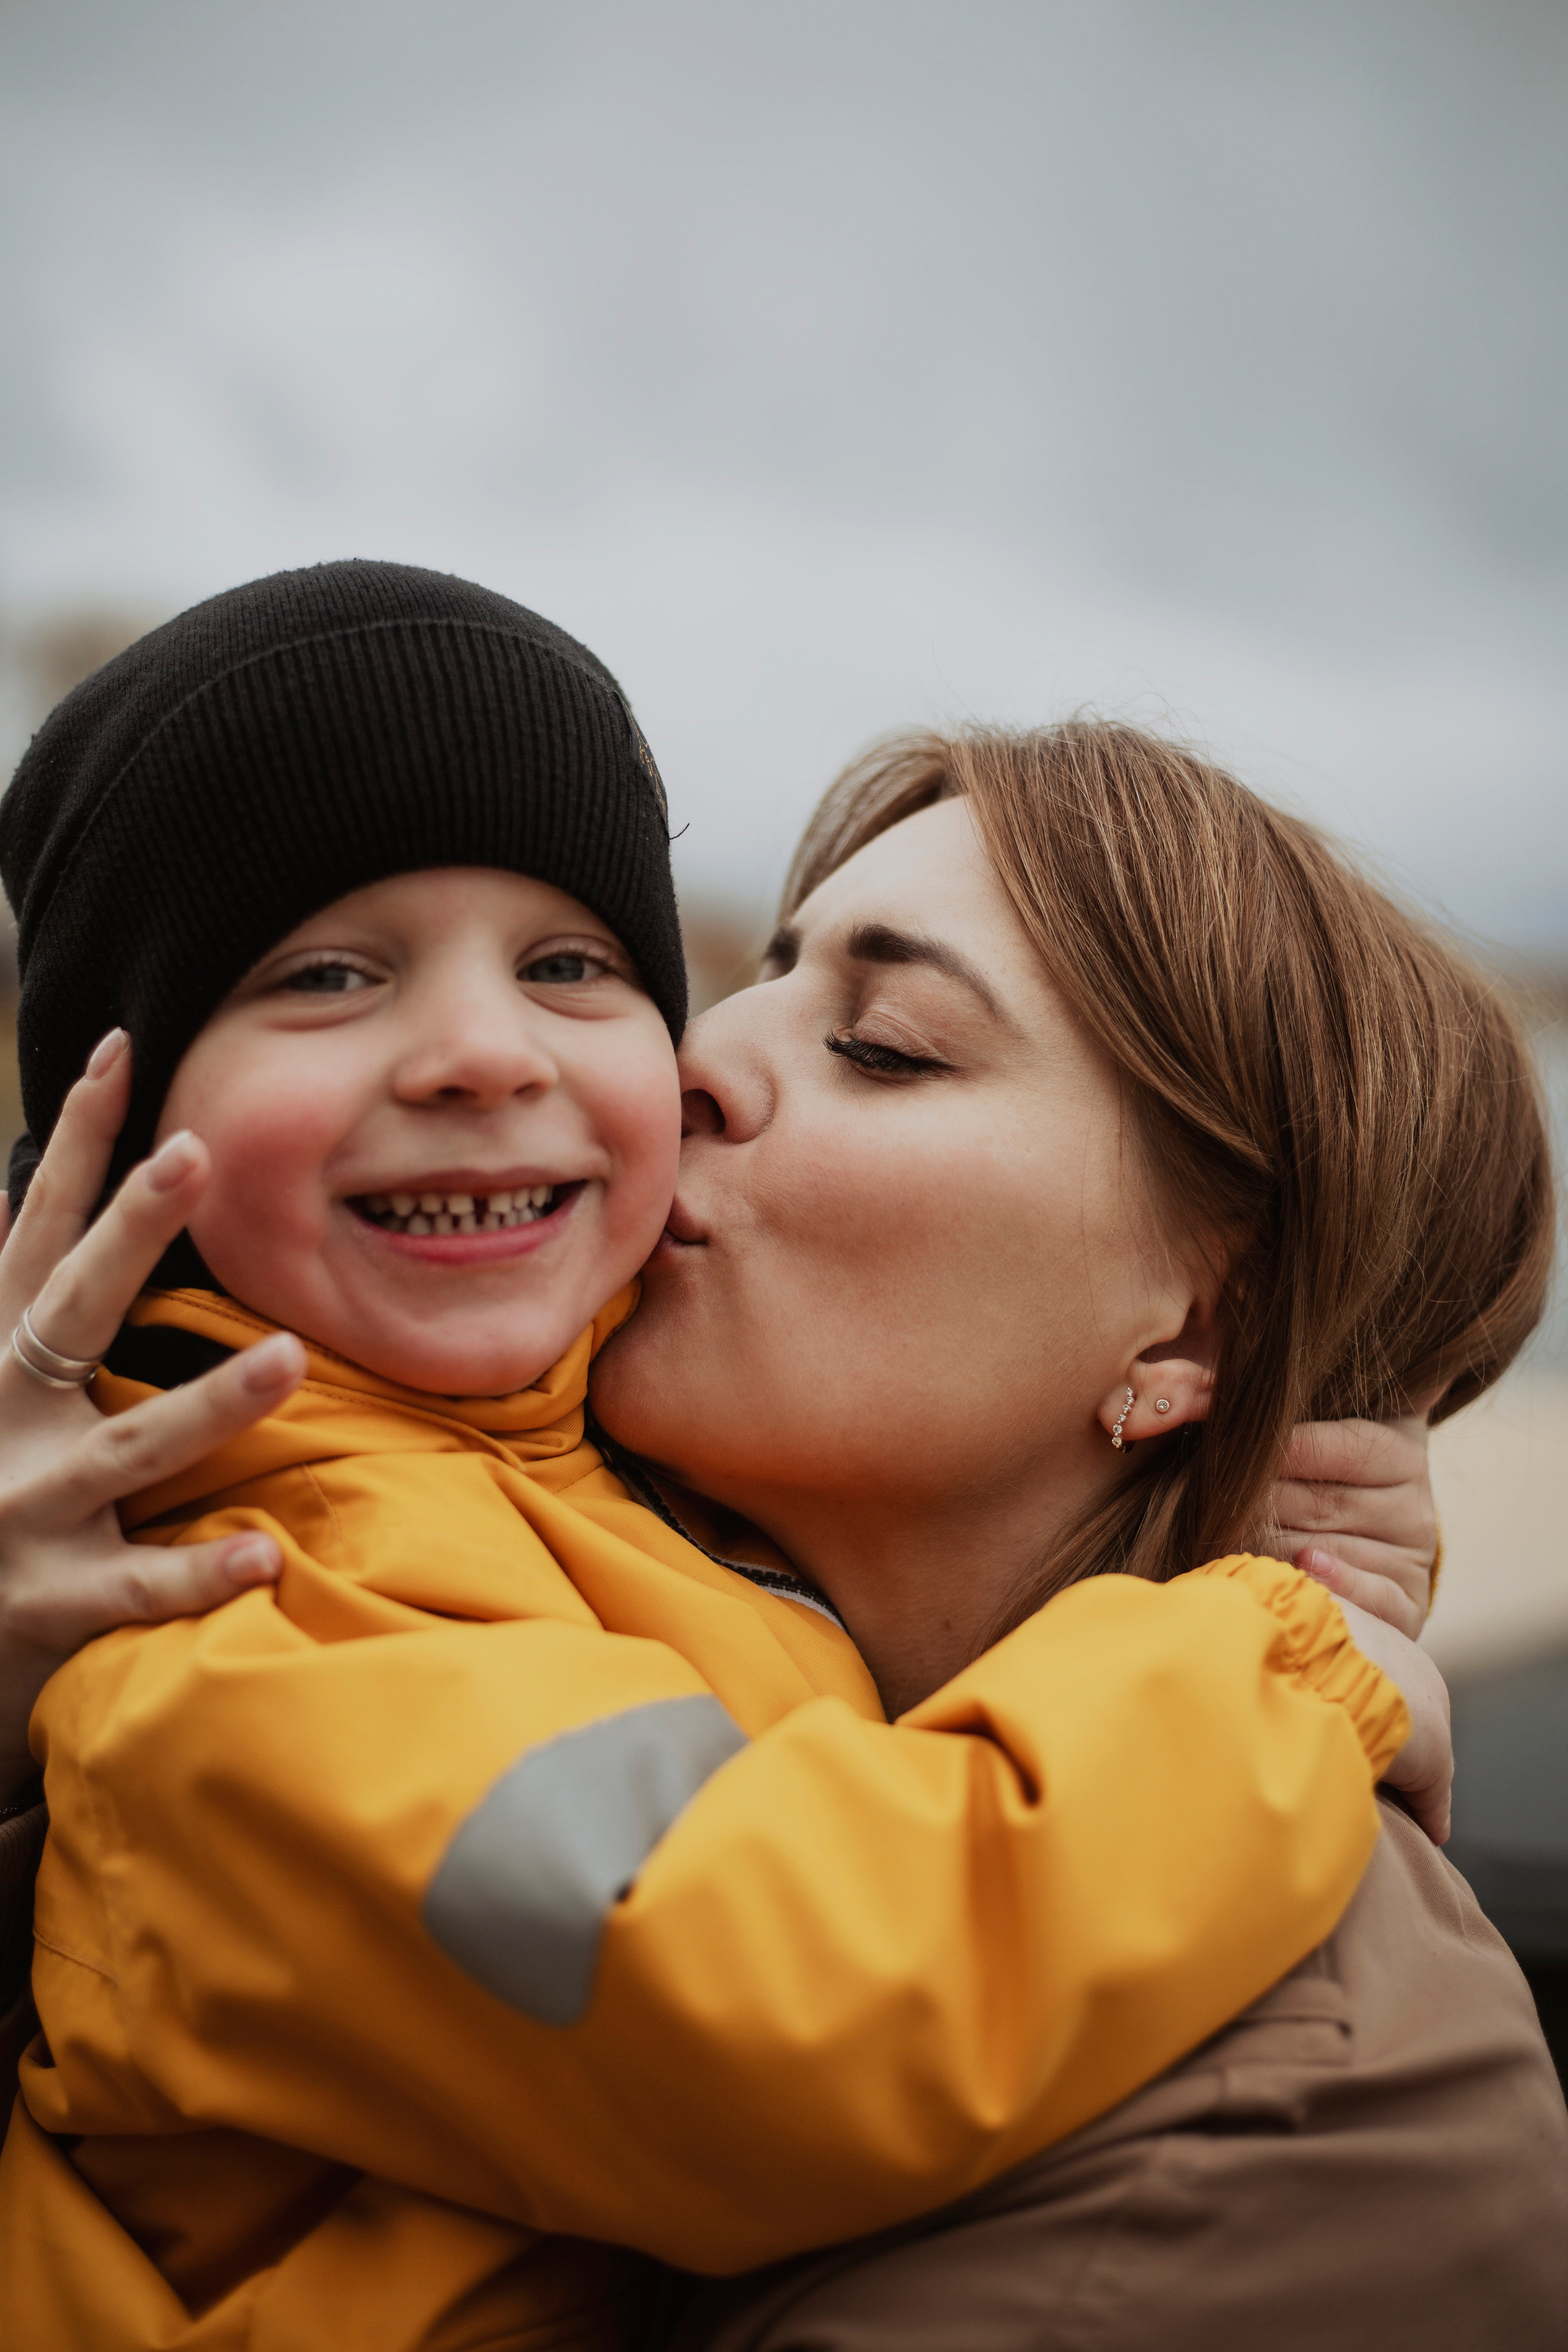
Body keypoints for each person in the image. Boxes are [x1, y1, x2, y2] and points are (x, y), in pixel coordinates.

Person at [0, 574, 1466, 2348]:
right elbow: (803, 1997)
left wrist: (1297, 1533)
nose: (693, 1065)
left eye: (576, 967)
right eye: (321, 977)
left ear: (1191, 1338)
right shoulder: (252, 1616)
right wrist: (1281, 1652)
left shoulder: (559, 1455)